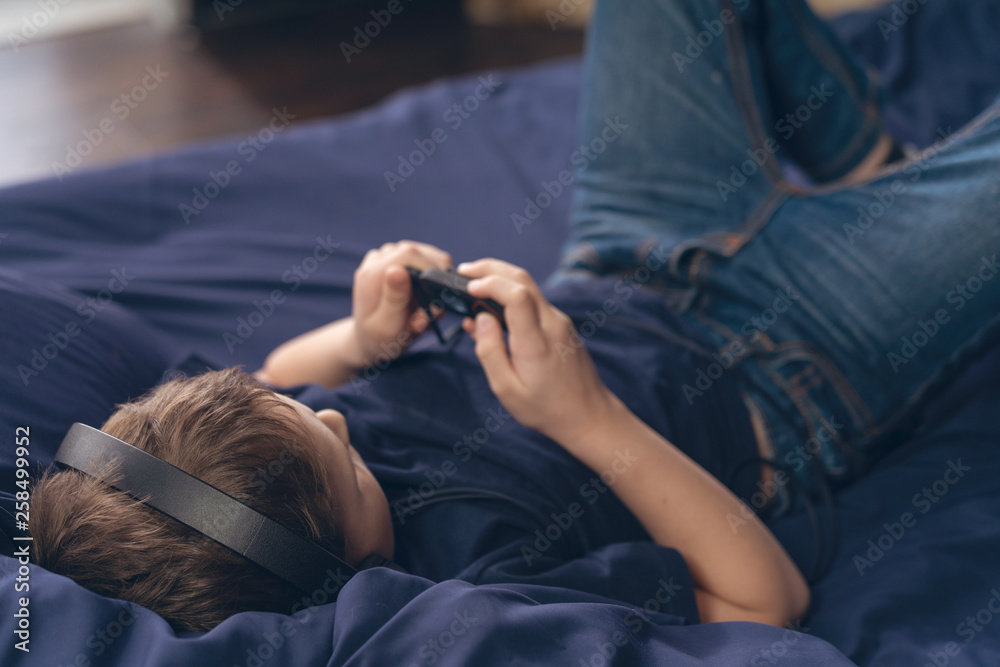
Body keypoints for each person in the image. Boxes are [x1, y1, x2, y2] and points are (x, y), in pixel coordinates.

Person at [30, 0, 999, 634]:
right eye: (340, 454)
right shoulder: (480, 577)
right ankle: (880, 198)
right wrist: (585, 417)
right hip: (789, 364)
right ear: (339, 565)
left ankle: (866, 162)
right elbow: (763, 600)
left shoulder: (281, 457)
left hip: (626, 252)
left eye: (303, 408)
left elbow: (290, 373)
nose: (333, 412)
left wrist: (363, 337)